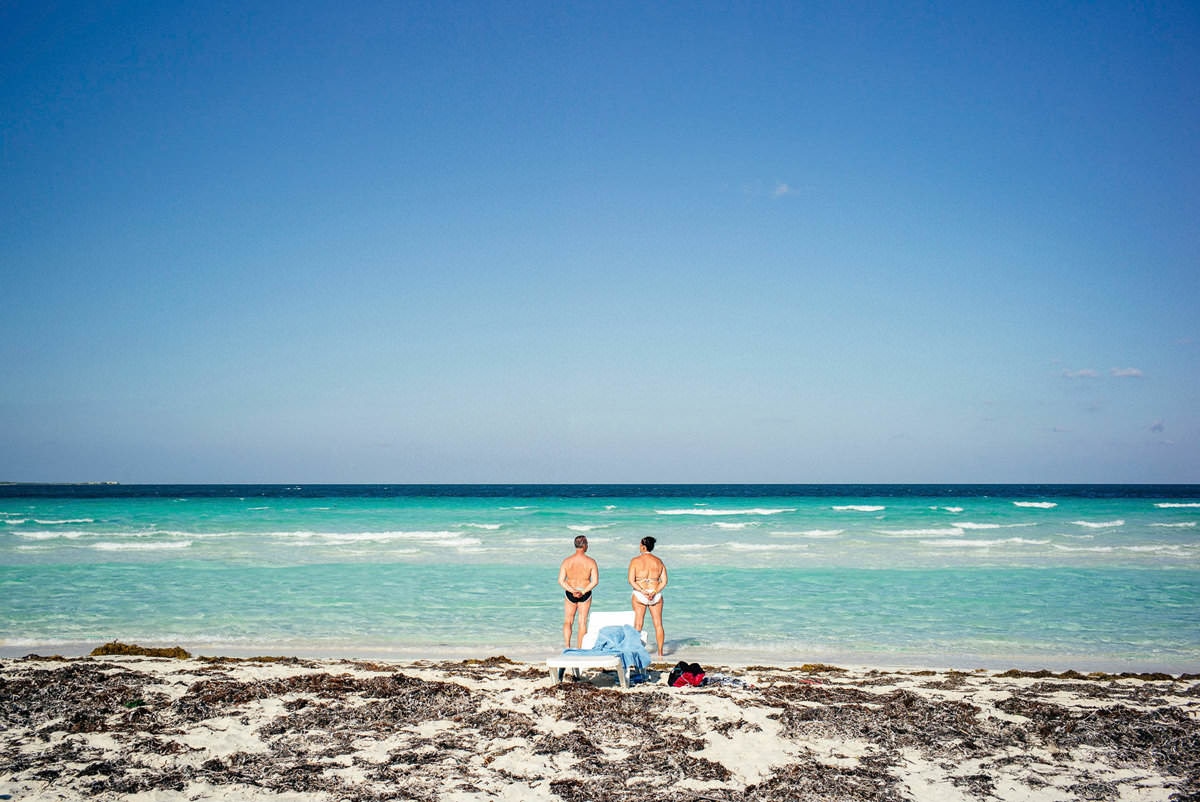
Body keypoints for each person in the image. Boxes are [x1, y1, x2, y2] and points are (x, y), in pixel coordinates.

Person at [628, 535, 668, 658]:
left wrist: (643, 591)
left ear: (643, 546)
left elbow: (631, 580)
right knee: (658, 624)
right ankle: (660, 653)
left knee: (638, 624)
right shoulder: (658, 561)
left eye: (640, 545)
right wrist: (654, 591)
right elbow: (664, 581)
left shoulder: (635, 561)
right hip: (655, 594)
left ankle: (635, 651)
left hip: (640, 593)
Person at [558, 534, 599, 649]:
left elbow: (561, 581)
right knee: (582, 622)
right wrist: (583, 591)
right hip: (584, 593)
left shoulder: (567, 561)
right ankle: (580, 649)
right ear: (585, 545)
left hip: (570, 592)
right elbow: (595, 581)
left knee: (568, 620)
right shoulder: (591, 561)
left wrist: (572, 591)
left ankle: (567, 646)